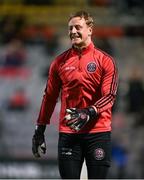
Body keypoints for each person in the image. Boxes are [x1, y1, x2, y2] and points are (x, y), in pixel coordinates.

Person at [32, 10, 118, 179]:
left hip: (98, 133)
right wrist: (39, 129)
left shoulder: (105, 61)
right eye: (70, 28)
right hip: (69, 134)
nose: (73, 32)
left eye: (78, 27)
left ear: (90, 30)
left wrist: (89, 111)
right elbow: (49, 97)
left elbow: (110, 96)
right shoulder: (59, 62)